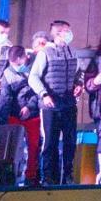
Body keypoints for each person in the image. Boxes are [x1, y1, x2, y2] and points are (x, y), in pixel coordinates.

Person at [28, 19, 82, 185]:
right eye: (67, 31)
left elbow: (79, 73)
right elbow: (33, 77)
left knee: (70, 141)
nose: (70, 34)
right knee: (50, 143)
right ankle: (47, 178)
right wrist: (44, 94)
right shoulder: (45, 53)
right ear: (59, 33)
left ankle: (67, 176)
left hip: (69, 104)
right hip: (50, 106)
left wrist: (79, 84)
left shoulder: (73, 52)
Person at [0, 46, 40, 186]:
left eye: (18, 63)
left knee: (34, 147)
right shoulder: (7, 74)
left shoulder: (35, 67)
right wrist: (2, 120)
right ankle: (11, 176)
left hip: (33, 116)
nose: (16, 67)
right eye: (13, 64)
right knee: (13, 148)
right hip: (14, 116)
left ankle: (31, 177)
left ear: (24, 57)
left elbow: (38, 91)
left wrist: (30, 107)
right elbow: (5, 99)